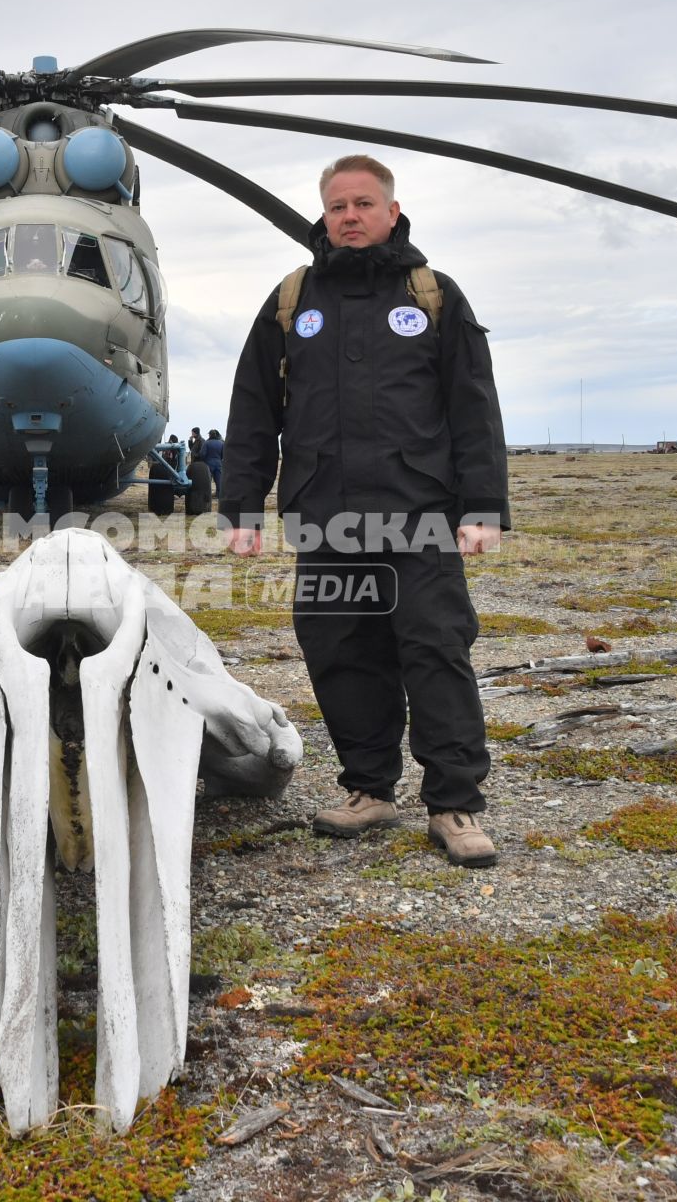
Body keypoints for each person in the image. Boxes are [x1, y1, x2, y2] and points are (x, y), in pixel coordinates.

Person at [219, 154, 508, 867]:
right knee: (343, 653)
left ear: (392, 210)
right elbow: (254, 408)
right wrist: (241, 508)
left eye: (363, 204)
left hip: (421, 513)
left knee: (435, 650)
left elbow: (474, 407)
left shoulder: (434, 294)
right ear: (324, 215)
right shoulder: (293, 299)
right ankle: (369, 789)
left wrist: (484, 506)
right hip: (324, 514)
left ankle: (453, 803)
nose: (350, 216)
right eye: (337, 206)